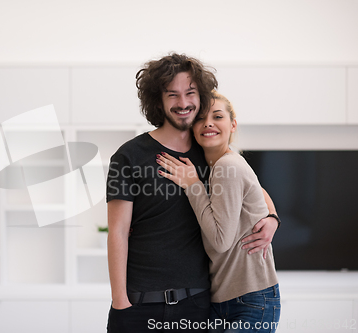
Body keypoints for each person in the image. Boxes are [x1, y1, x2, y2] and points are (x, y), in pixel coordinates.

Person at [106, 53, 280, 332]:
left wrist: (271, 218)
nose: (183, 103)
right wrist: (120, 302)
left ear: (201, 97)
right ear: (158, 101)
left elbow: (255, 188)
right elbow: (117, 232)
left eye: (190, 93)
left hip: (198, 305)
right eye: (172, 95)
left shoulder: (210, 152)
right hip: (139, 304)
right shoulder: (128, 156)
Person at [156, 90, 281, 332]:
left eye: (218, 116)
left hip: (249, 300)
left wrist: (193, 185)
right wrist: (273, 216)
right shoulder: (214, 165)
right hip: (225, 298)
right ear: (192, 128)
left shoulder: (227, 165)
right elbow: (259, 191)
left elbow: (221, 241)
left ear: (233, 125)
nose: (208, 123)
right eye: (201, 118)